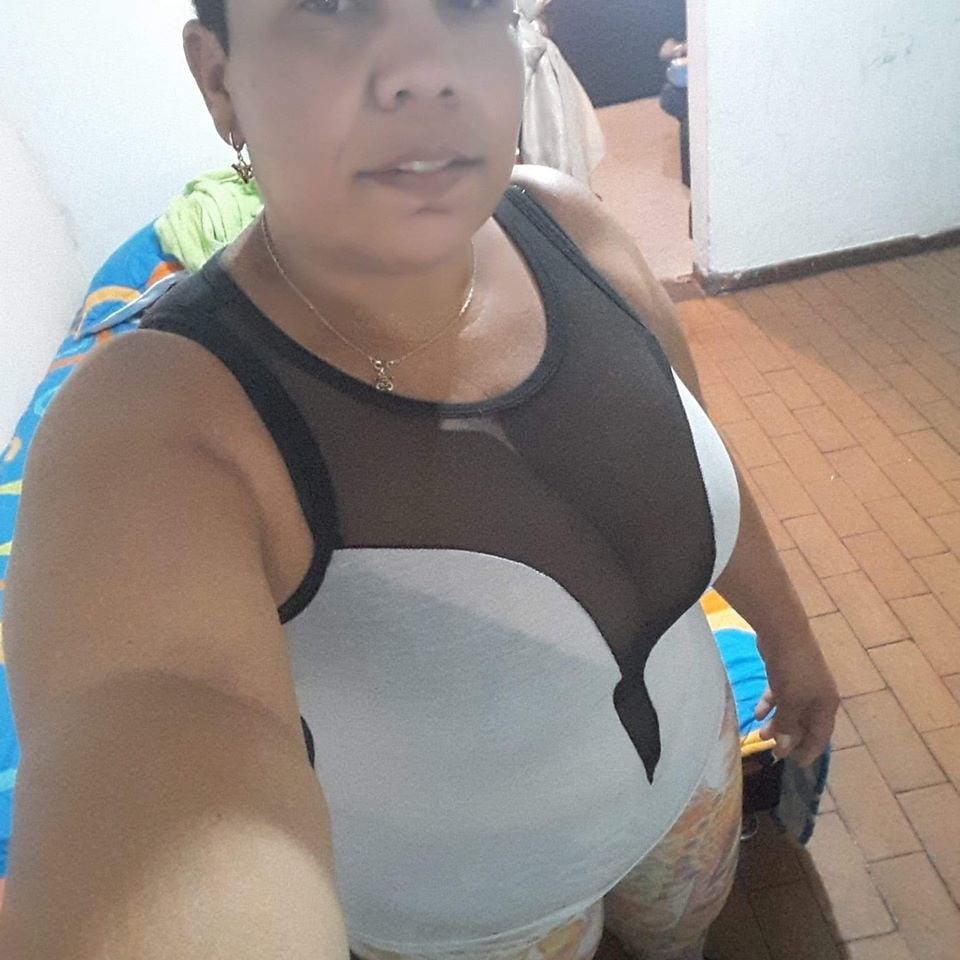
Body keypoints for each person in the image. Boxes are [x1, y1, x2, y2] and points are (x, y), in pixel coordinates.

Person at [0, 3, 838, 960]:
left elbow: (696, 465)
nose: (425, 68)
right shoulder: (159, 426)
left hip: (691, 791)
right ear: (220, 78)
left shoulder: (573, 228)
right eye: (333, 8)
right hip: (472, 920)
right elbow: (156, 740)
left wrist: (791, 639)